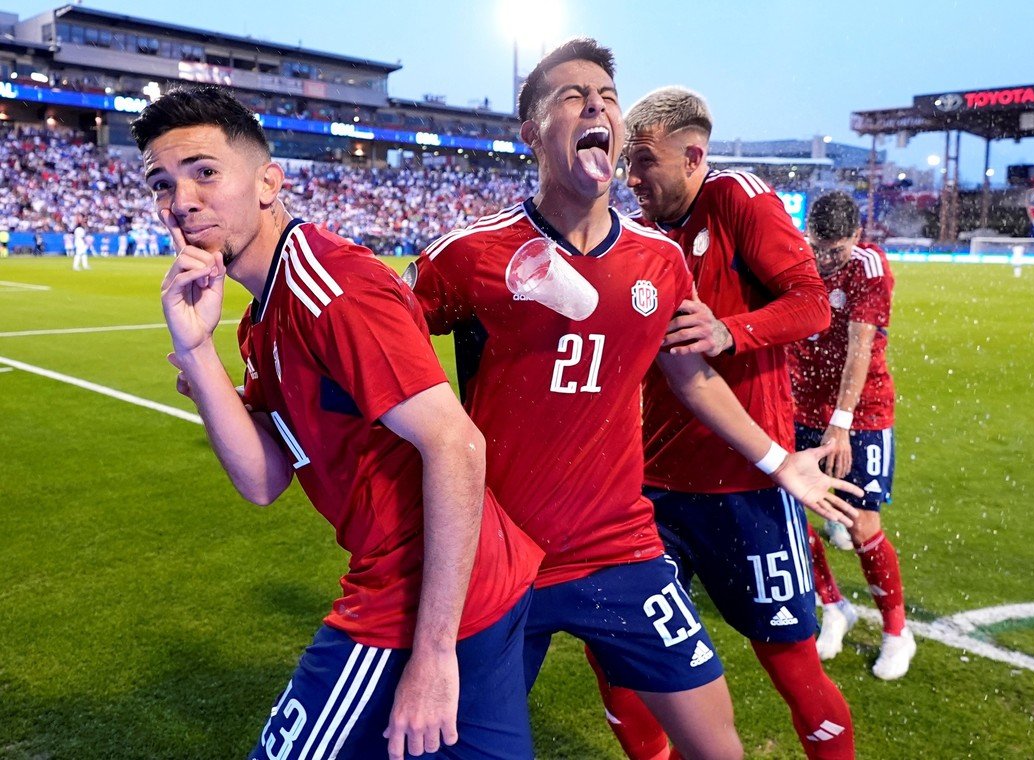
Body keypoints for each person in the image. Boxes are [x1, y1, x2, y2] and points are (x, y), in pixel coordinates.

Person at [408, 40, 860, 760]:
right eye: (570, 95)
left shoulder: (659, 259)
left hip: (621, 548)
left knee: (720, 747)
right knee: (458, 746)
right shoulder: (469, 255)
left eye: (606, 96)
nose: (595, 105)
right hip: (499, 552)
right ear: (530, 132)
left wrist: (780, 460)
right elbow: (376, 342)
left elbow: (691, 375)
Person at [135, 85, 544, 760]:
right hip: (482, 579)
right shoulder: (262, 320)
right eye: (162, 183)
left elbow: (455, 444)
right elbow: (264, 480)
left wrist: (433, 653)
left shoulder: (331, 287)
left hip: (414, 595)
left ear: (269, 182)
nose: (181, 201)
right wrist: (195, 349)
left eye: (204, 171)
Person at [592, 86, 855, 760]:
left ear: (693, 157)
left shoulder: (738, 197)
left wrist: (728, 331)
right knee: (620, 659)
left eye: (644, 161)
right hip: (649, 494)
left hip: (747, 486)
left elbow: (814, 307)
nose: (633, 178)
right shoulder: (642, 234)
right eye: (628, 164)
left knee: (793, 669)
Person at [790, 191, 916, 680]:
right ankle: (834, 606)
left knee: (862, 526)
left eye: (834, 251)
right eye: (818, 247)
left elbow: (859, 349)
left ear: (857, 238)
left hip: (861, 414)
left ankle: (895, 632)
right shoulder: (800, 254)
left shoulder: (869, 267)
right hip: (800, 404)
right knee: (790, 516)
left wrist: (840, 424)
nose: (823, 260)